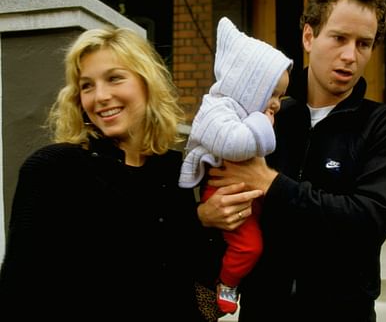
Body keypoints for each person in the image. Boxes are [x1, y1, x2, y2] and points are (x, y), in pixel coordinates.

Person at [198, 0, 386, 321]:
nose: (350, 55)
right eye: (339, 38)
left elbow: (368, 222)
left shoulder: (385, 125)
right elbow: (215, 189)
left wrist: (270, 183)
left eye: (363, 44)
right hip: (262, 310)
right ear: (309, 36)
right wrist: (206, 216)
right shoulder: (264, 119)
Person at [0, 26, 229, 320]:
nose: (101, 96)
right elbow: (17, 293)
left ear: (147, 83)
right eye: (87, 86)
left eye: (114, 78)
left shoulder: (170, 171)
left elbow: (189, 275)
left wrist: (210, 221)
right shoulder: (54, 169)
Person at [178, 16, 293, 315]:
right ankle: (227, 284)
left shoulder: (242, 111)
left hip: (242, 191)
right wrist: (261, 122)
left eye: (281, 96)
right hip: (222, 194)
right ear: (249, 86)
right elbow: (234, 144)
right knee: (249, 246)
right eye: (273, 94)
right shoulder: (217, 108)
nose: (277, 104)